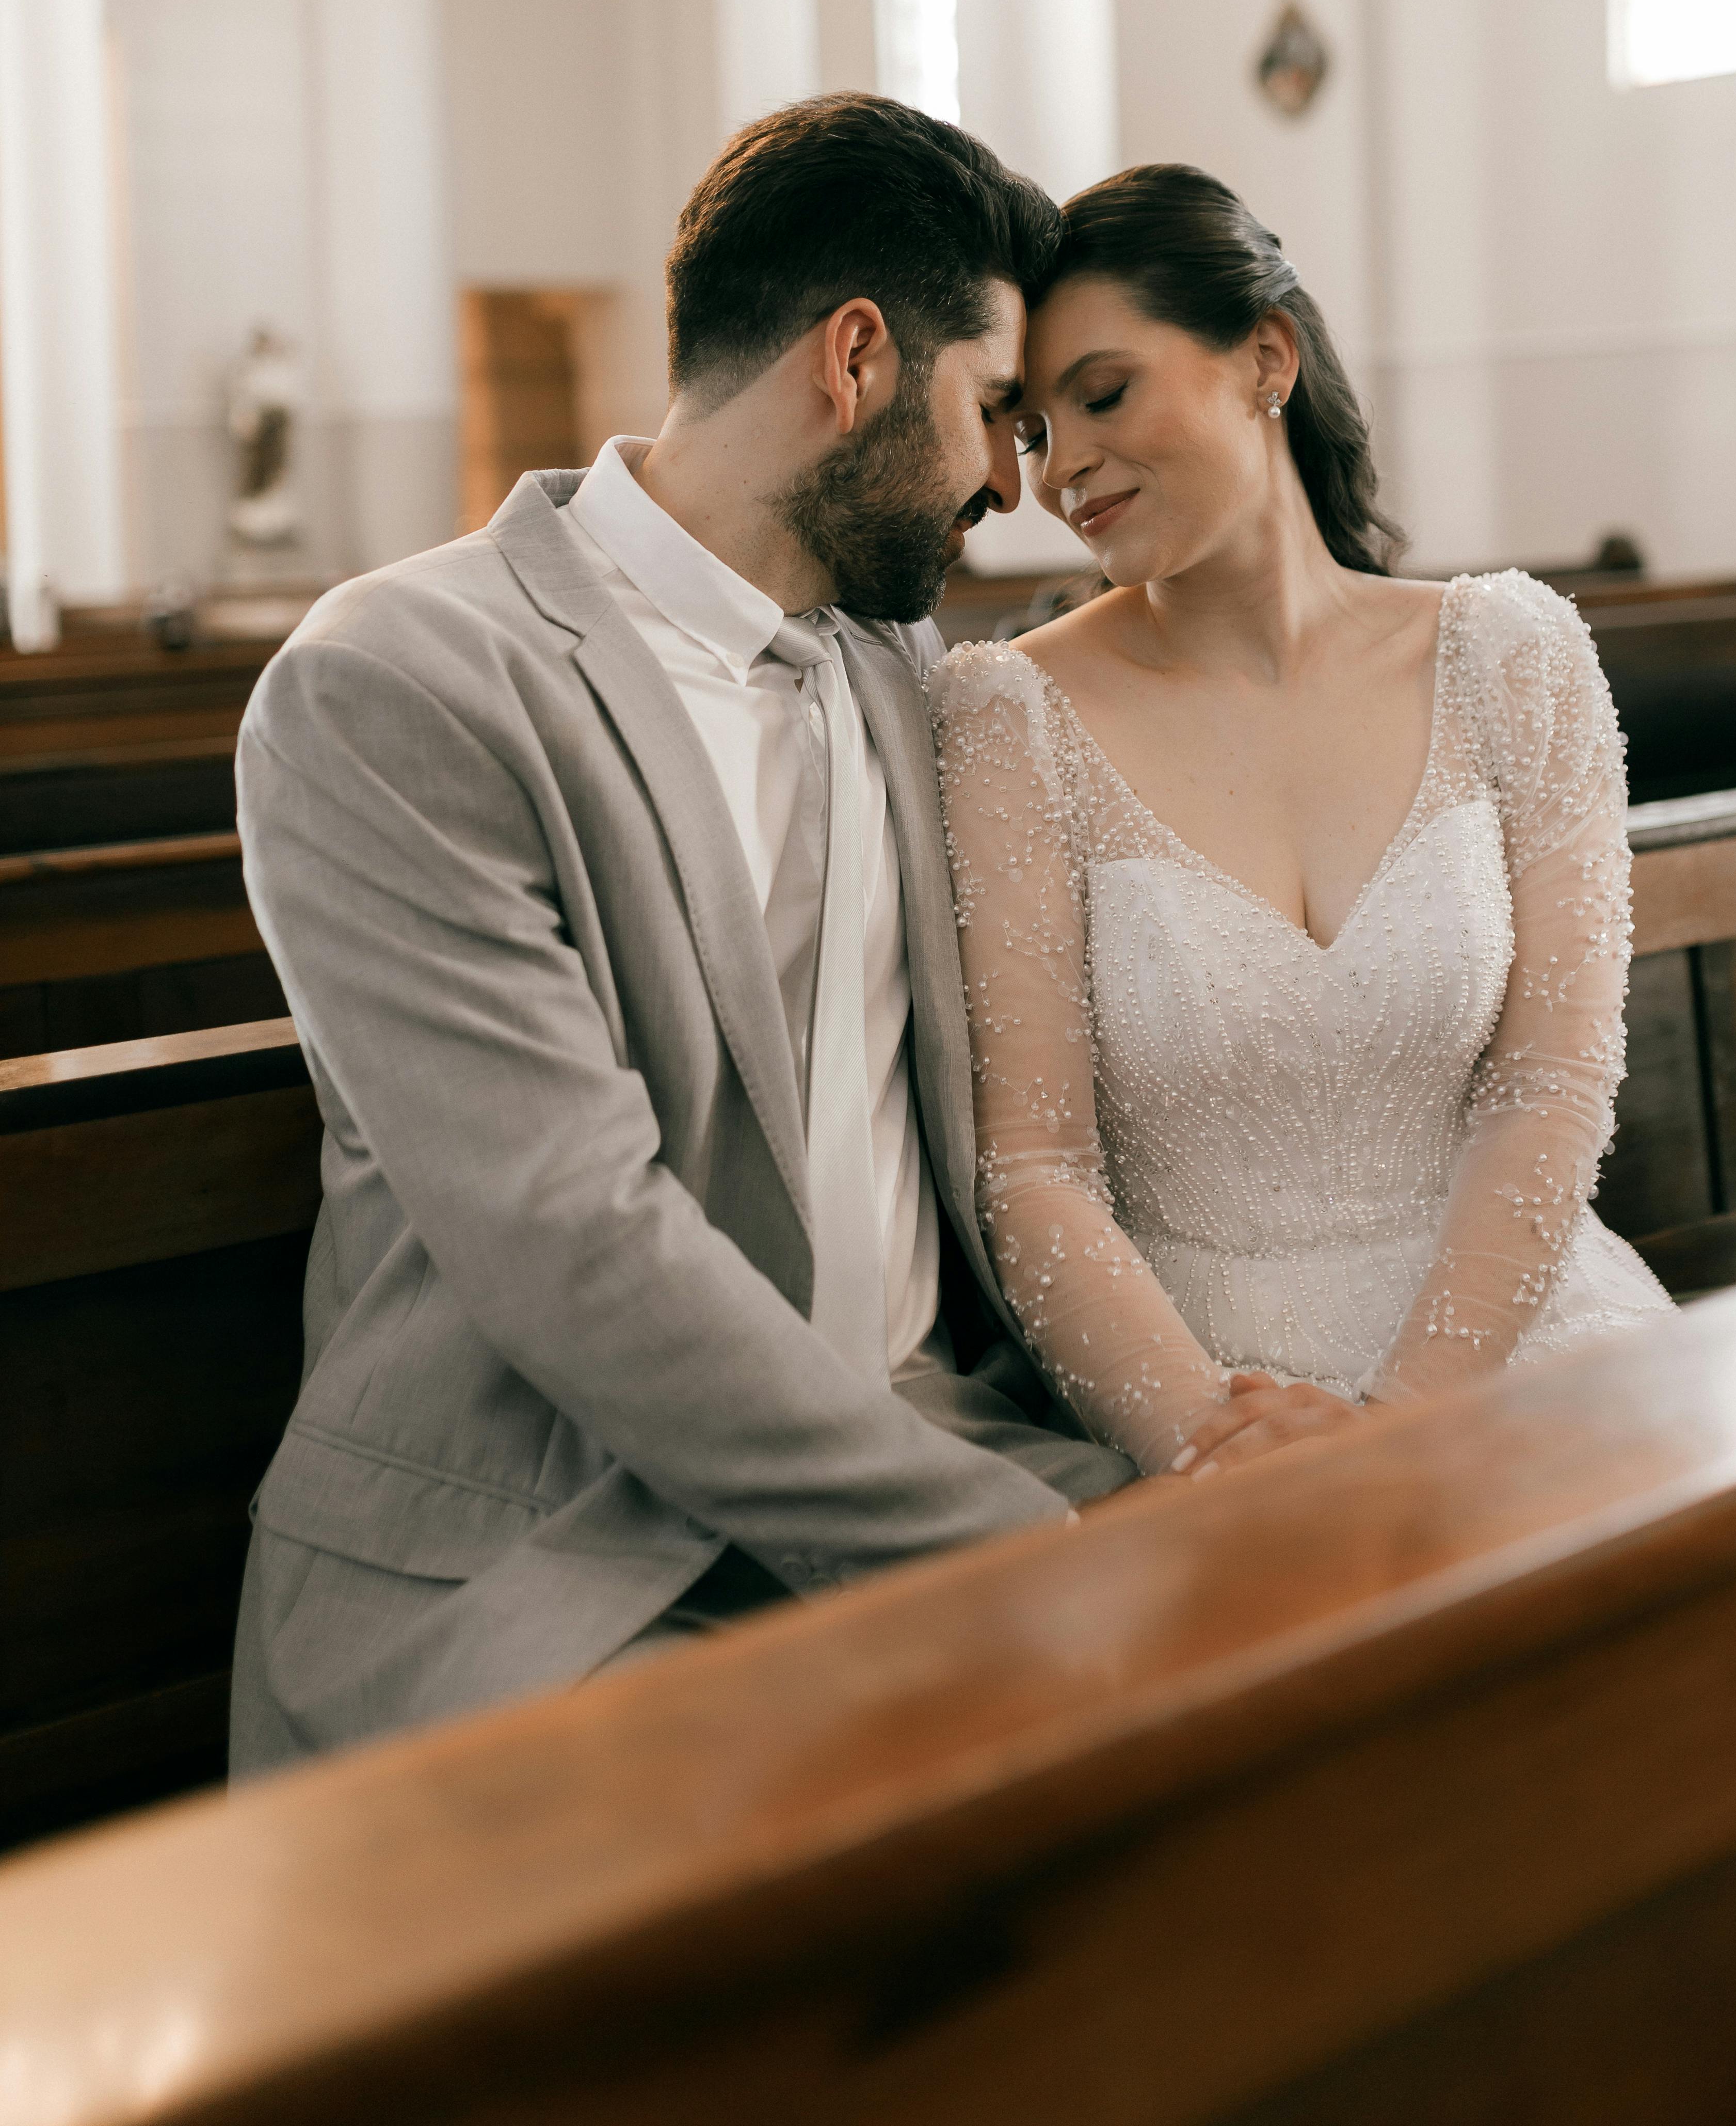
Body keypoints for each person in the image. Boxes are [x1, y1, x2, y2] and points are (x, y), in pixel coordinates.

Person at [229, 97, 1133, 1775]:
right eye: (994, 411)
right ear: (854, 361)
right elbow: (579, 1246)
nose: (1022, 482)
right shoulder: (400, 684)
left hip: (938, 1439)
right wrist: (1023, 1551)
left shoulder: (910, 673)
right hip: (555, 1560)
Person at [929, 164, 1675, 1484]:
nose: (1064, 469)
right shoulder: (1010, 718)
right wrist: (1215, 1448)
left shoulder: (1511, 657)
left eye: (1103, 395)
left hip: (1517, 1344)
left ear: (1263, 356)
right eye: (1035, 431)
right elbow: (1034, 1170)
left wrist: (1409, 1416)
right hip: (1207, 1403)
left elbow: (1549, 1082)